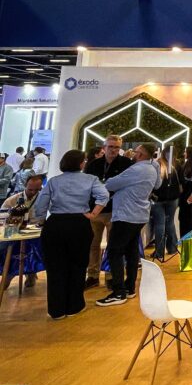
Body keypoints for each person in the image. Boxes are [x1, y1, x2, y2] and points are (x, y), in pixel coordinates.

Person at [32, 149, 108, 320]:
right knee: (78, 265)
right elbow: (103, 195)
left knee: (55, 267)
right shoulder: (90, 179)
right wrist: (93, 213)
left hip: (56, 223)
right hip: (79, 223)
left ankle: (56, 310)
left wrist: (41, 220)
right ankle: (74, 305)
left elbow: (41, 204)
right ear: (81, 164)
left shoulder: (54, 181)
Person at [97, 143, 161, 307]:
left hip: (126, 215)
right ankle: (129, 287)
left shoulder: (137, 169)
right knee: (131, 251)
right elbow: (158, 185)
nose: (133, 154)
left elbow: (111, 184)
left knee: (114, 252)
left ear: (140, 155)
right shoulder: (152, 168)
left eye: (136, 152)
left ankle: (118, 292)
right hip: (138, 215)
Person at [84, 134, 133, 289]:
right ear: (104, 148)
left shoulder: (126, 164)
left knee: (114, 246)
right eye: (110, 147)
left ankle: (112, 276)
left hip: (115, 210)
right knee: (93, 244)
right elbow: (86, 185)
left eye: (117, 147)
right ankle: (92, 275)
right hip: (95, 210)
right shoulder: (94, 164)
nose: (113, 150)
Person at [2, 173, 44, 289]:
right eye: (30, 189)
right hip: (15, 232)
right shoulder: (12, 200)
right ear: (26, 185)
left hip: (35, 233)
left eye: (37, 190)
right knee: (10, 248)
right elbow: (2, 216)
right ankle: (8, 275)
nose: (33, 192)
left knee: (36, 248)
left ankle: (31, 273)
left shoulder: (43, 200)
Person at [150, 149, 181, 262]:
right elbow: (180, 183)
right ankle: (172, 248)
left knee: (160, 224)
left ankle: (159, 252)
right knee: (170, 223)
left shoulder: (156, 165)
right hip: (173, 199)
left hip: (158, 199)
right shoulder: (175, 166)